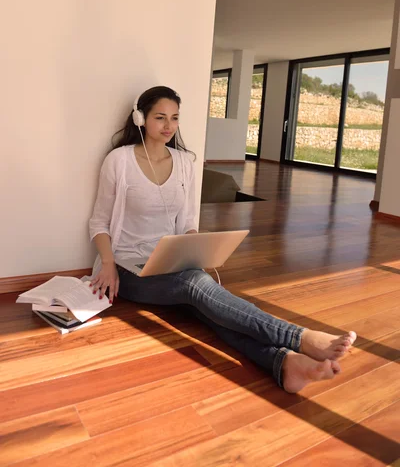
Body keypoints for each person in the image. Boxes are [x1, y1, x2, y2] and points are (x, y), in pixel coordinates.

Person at [89, 86, 357, 393]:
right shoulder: (119, 161)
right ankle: (300, 338)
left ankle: (285, 365)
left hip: (171, 263)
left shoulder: (185, 163)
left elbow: (188, 221)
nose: (168, 126)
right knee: (195, 286)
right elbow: (98, 222)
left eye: (175, 118)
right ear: (141, 118)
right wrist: (108, 265)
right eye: (160, 117)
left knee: (210, 309)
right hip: (129, 269)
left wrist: (194, 248)